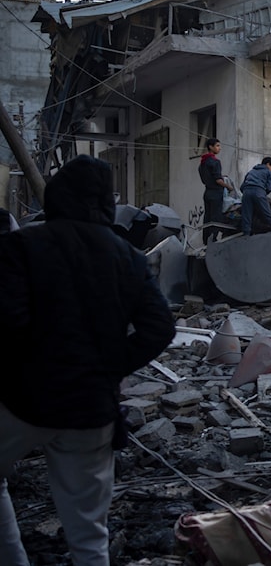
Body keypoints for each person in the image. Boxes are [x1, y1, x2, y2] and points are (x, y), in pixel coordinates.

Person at [0, 155, 175, 564]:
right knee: (89, 535)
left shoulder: (21, 245)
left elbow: (8, 321)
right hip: (92, 408)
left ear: (58, 196)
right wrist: (109, 366)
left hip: (24, 401)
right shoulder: (127, 256)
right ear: (105, 203)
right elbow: (160, 328)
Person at [198, 138, 236, 244]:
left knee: (207, 217)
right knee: (216, 218)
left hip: (207, 192)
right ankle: (213, 239)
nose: (220, 148)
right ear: (211, 147)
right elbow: (218, 180)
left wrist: (220, 177)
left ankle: (206, 240)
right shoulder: (215, 162)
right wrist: (229, 187)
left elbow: (208, 178)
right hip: (216, 193)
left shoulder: (202, 163)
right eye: (217, 146)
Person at [240, 157, 271, 235]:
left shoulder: (251, 171)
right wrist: (263, 194)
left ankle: (246, 237)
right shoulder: (268, 172)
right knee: (267, 213)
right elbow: (269, 187)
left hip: (246, 192)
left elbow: (242, 187)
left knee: (246, 216)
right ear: (268, 164)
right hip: (259, 192)